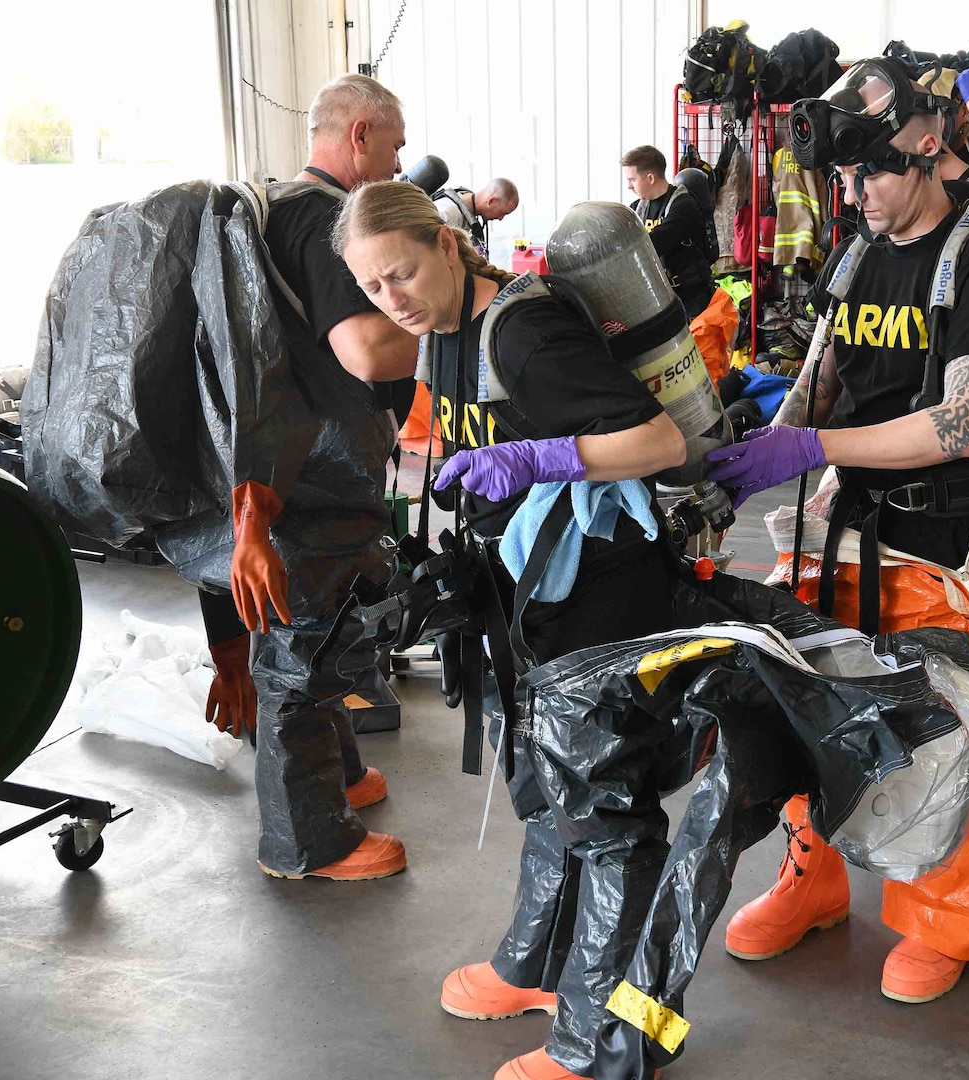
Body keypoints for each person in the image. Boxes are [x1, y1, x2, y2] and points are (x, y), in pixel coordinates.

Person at [703, 58, 969, 1005]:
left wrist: (811, 444)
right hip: (843, 530)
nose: (860, 195)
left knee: (945, 736)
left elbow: (961, 425)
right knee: (808, 711)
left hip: (946, 542)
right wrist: (755, 456)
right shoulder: (856, 254)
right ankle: (817, 881)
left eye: (873, 174)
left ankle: (948, 923)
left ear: (929, 144)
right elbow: (819, 376)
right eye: (846, 180)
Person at [333, 180, 689, 1080]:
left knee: (608, 815)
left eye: (403, 273)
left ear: (448, 246)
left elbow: (659, 444)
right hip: (528, 605)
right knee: (548, 787)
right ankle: (536, 968)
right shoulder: (441, 339)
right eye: (373, 289)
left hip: (603, 601)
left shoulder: (522, 333)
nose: (394, 300)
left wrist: (541, 456)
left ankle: (616, 1040)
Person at [207, 72, 421, 882]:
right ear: (359, 134)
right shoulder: (333, 220)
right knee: (302, 641)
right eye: (394, 146)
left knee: (320, 623)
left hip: (294, 455)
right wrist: (450, 319)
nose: (398, 167)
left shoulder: (271, 208)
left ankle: (344, 778)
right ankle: (307, 842)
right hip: (325, 461)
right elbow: (365, 349)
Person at [622, 144, 715, 320]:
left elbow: (653, 244)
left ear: (650, 178)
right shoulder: (636, 209)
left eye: (632, 179)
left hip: (692, 303)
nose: (628, 186)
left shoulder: (684, 206)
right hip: (660, 300)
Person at [434, 177, 520, 256]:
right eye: (502, 213)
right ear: (492, 201)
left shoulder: (469, 212)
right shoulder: (448, 214)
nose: (500, 218)